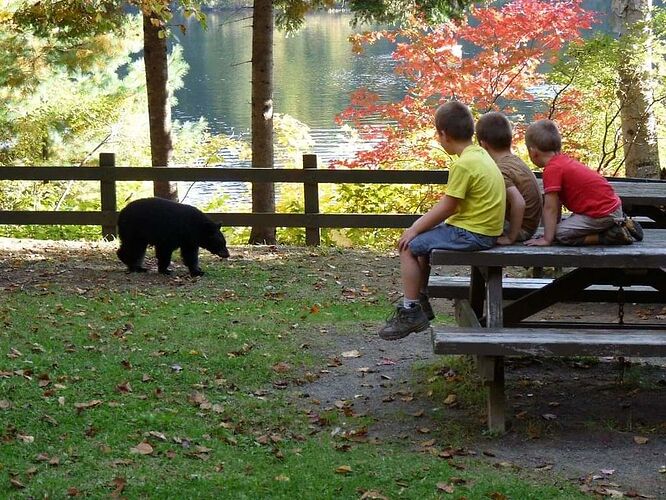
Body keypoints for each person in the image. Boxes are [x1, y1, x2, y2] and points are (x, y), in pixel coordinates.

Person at [379, 101, 506, 341]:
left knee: (407, 247)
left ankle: (410, 310)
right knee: (423, 243)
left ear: (444, 134)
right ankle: (422, 301)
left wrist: (414, 228)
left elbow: (449, 206)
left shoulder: (464, 164)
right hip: (484, 230)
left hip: (472, 233)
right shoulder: (480, 155)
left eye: (438, 135)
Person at [523, 119, 643, 247]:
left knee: (562, 234)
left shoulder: (552, 169)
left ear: (533, 152)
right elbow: (556, 204)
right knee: (557, 230)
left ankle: (611, 235)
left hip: (601, 214)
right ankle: (620, 222)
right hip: (611, 207)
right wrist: (551, 231)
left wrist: (547, 239)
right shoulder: (563, 162)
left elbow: (550, 208)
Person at [476, 112, 543, 244]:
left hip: (520, 230)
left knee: (469, 228)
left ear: (483, 145)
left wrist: (510, 237)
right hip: (530, 226)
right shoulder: (515, 162)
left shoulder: (501, 170)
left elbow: (519, 202)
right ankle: (487, 265)